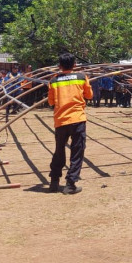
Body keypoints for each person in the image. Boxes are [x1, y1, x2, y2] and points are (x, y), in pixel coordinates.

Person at [47, 53, 93, 194]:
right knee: (77, 151)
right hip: (77, 119)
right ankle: (70, 184)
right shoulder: (81, 77)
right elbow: (89, 95)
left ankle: (54, 181)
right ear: (74, 65)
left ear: (59, 66)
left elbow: (51, 102)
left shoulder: (54, 81)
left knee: (59, 151)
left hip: (61, 120)